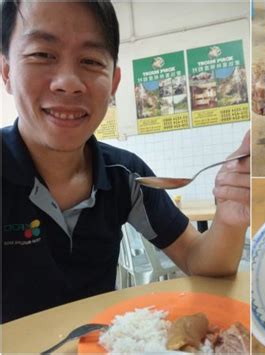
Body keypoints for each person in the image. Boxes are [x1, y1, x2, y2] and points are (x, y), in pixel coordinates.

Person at [1, 0, 250, 323]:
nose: (69, 82)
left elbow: (196, 260)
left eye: (90, 61)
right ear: (7, 71)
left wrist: (230, 216)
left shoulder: (125, 175)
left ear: (114, 83)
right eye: (42, 54)